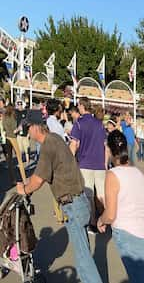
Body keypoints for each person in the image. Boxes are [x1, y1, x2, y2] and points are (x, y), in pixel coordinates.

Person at [16, 110, 103, 283]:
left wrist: (23, 189)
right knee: (84, 252)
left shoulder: (48, 145)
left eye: (28, 128)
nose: (28, 133)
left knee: (83, 259)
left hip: (73, 204)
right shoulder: (55, 138)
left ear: (35, 127)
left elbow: (38, 179)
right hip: (79, 202)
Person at [97, 130, 144, 283]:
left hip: (128, 234)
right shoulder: (138, 173)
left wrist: (100, 220)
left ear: (109, 149)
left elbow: (110, 214)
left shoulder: (112, 175)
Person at [69, 98, 108, 231]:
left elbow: (74, 144)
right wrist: (106, 163)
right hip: (100, 163)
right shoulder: (99, 124)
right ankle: (105, 219)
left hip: (85, 163)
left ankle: (92, 222)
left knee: (89, 195)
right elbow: (105, 145)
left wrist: (69, 162)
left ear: (81, 106)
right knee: (101, 194)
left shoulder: (79, 124)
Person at [1, 99, 20, 184]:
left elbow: (4, 128)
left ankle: (13, 178)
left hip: (6, 138)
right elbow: (15, 128)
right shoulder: (14, 116)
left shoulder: (5, 116)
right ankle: (21, 175)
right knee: (18, 156)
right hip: (13, 138)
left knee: (10, 158)